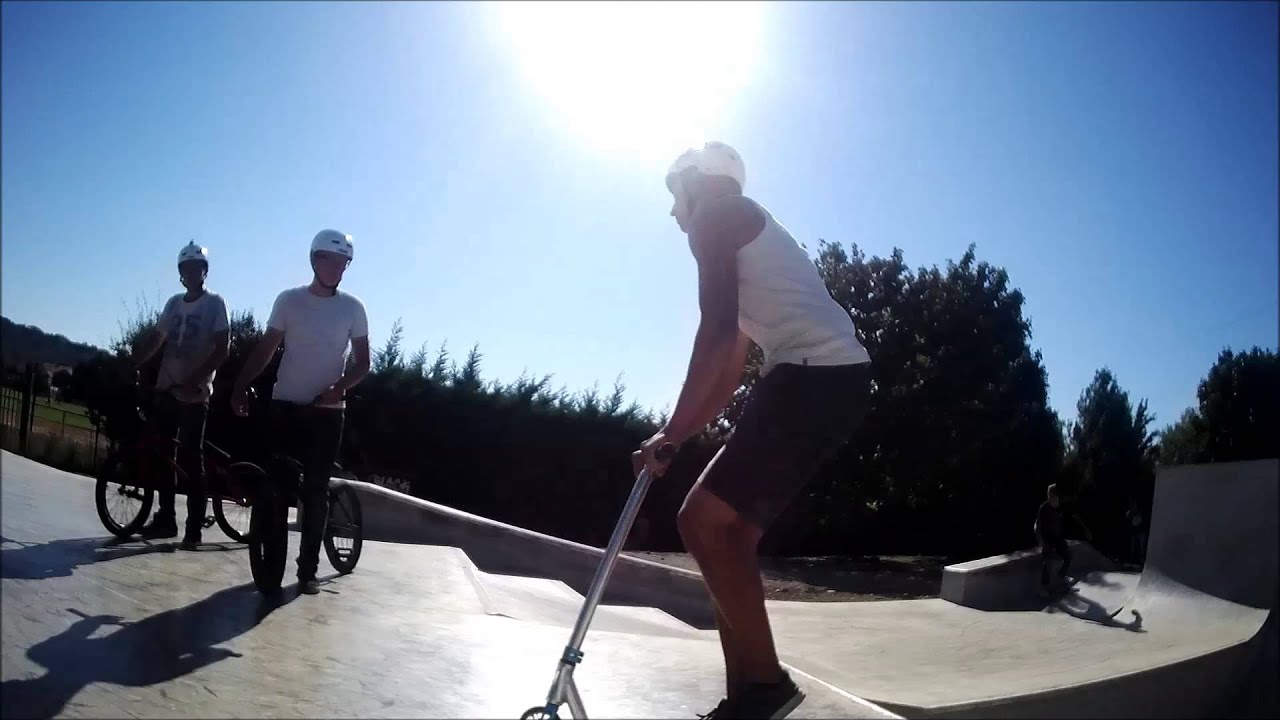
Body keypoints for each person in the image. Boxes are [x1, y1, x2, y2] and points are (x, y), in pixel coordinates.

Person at [632, 142, 872, 719]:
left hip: (812, 377)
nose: (673, 210)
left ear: (698, 181)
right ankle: (745, 695)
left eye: (673, 192)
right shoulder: (746, 233)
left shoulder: (716, 216)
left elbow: (715, 331)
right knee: (730, 537)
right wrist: (676, 435)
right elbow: (729, 372)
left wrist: (671, 430)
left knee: (698, 520)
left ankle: (766, 684)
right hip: (831, 382)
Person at [230, 229, 369, 595]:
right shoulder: (289, 301)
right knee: (277, 483)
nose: (336, 268)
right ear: (314, 260)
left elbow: (362, 363)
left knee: (315, 488)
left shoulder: (353, 308)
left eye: (342, 263)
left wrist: (338, 388)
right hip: (286, 406)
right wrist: (240, 384)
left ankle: (308, 571)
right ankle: (270, 560)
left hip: (328, 411)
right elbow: (266, 348)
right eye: (329, 260)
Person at [130, 240, 230, 548]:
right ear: (180, 273)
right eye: (186, 269)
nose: (191, 273)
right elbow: (158, 340)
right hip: (168, 387)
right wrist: (135, 364)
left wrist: (196, 379)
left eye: (196, 268)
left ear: (205, 272)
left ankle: (194, 529)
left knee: (191, 457)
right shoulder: (173, 304)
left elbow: (222, 349)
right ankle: (166, 519)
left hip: (195, 392)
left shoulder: (215, 303)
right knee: (163, 455)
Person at [1034, 483, 1092, 592]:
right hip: (1047, 539)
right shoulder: (1043, 508)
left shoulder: (1062, 506)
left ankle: (1061, 576)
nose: (1052, 500)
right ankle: (1043, 587)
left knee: (1068, 557)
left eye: (1054, 497)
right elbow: (1037, 525)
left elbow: (1075, 516)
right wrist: (1040, 540)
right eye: (1050, 497)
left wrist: (1086, 530)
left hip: (1058, 538)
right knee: (1048, 561)